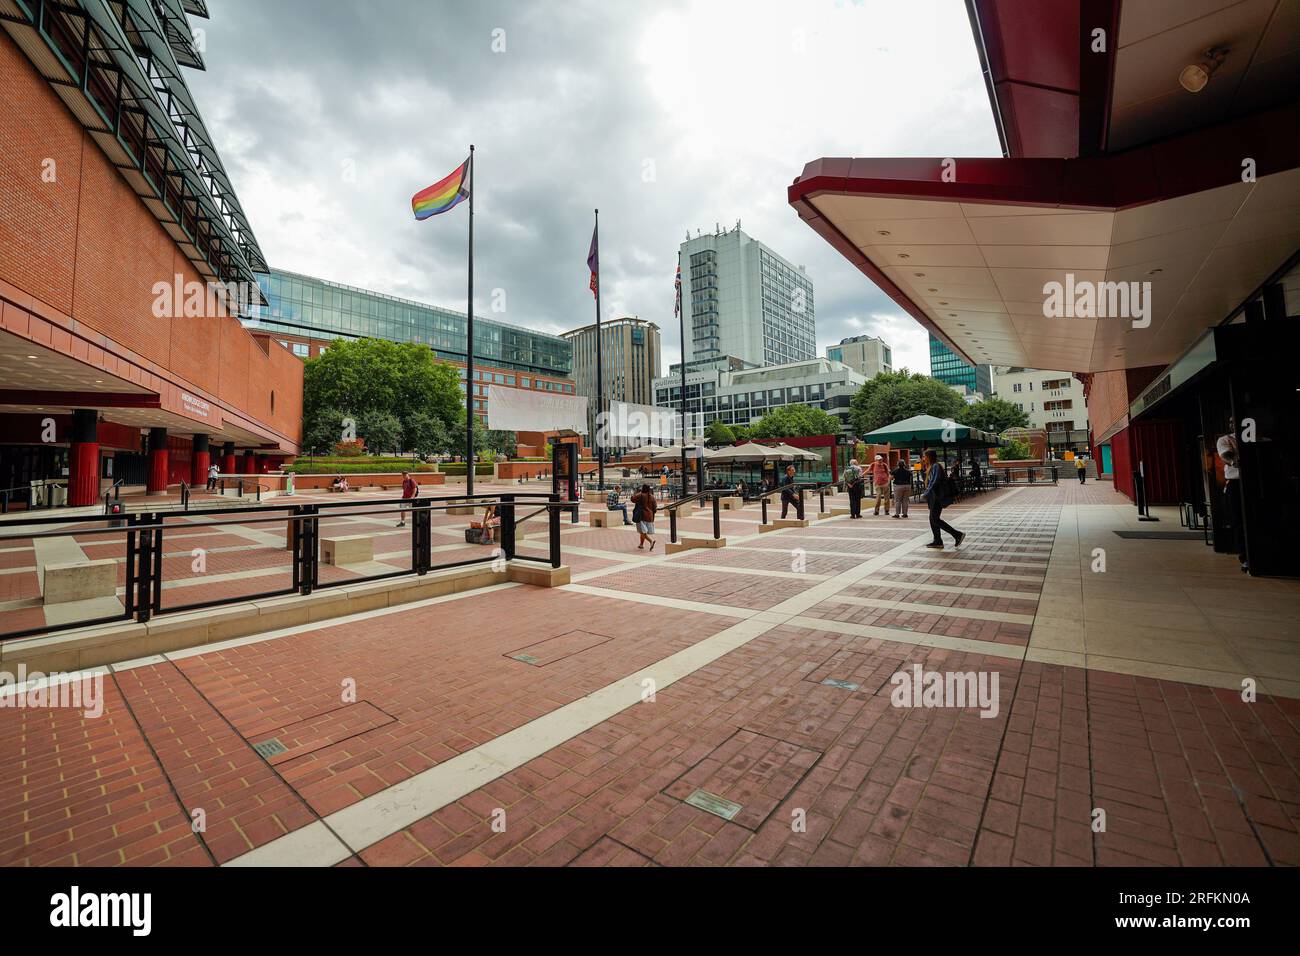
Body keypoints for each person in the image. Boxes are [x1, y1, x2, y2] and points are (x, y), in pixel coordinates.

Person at [1217, 420, 1247, 573]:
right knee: (1238, 521)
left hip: (1255, 483)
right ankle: (1245, 556)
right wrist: (1232, 461)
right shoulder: (1226, 440)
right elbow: (1225, 455)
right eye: (1230, 422)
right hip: (1235, 483)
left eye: (1236, 421)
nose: (1233, 424)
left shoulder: (1253, 438)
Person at [922, 449, 965, 550]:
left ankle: (957, 534)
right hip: (933, 496)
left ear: (929, 457)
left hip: (937, 496)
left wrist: (926, 493)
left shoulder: (936, 466)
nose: (923, 459)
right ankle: (938, 541)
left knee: (935, 519)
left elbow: (934, 481)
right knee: (932, 519)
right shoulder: (931, 467)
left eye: (924, 456)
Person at [631, 483, 658, 550]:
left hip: (641, 515)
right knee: (643, 531)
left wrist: (634, 493)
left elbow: (632, 499)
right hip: (649, 516)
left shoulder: (640, 495)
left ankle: (651, 541)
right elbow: (655, 508)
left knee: (642, 532)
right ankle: (641, 544)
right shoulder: (652, 497)